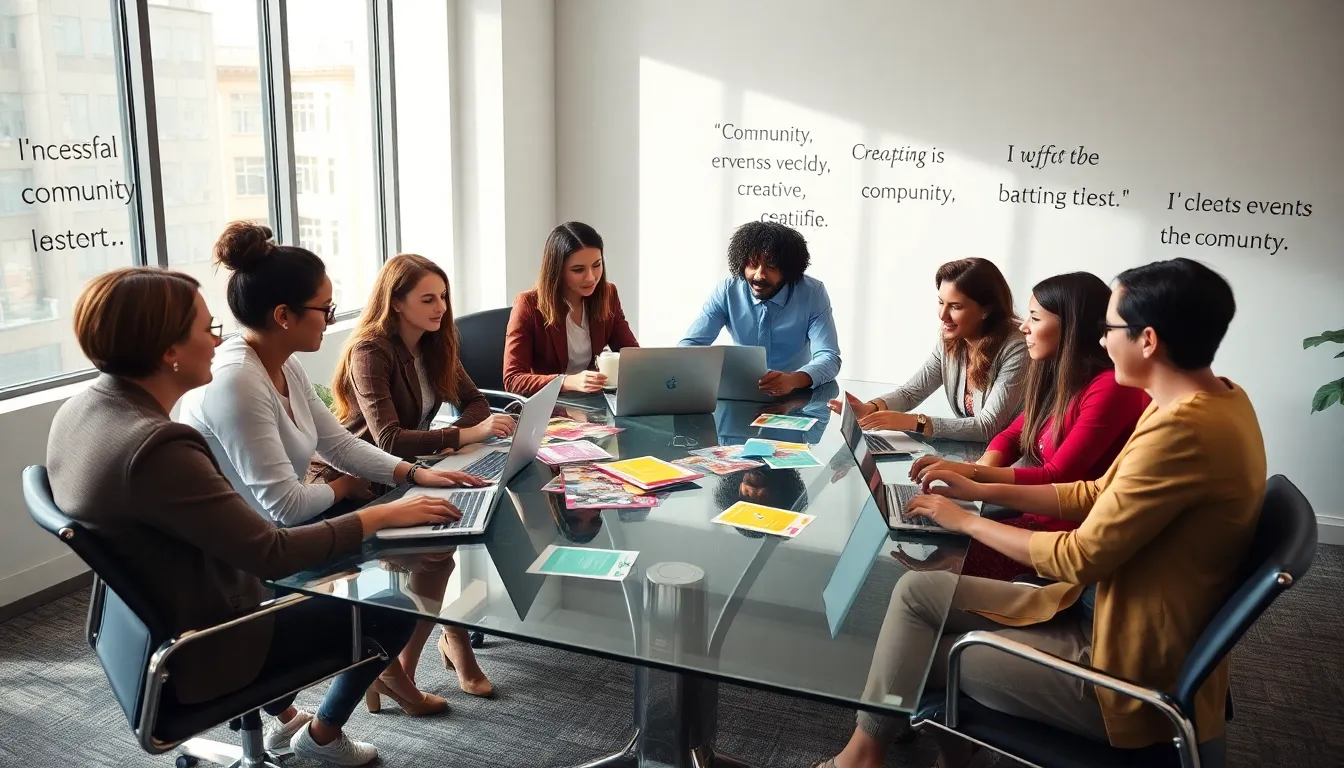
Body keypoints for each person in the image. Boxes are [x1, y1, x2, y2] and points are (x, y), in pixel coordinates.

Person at [817, 258, 1261, 768]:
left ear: (1149, 340)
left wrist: (966, 520)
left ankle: (863, 759)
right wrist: (975, 482)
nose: (1099, 340)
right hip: (1102, 609)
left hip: (1118, 666)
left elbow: (1078, 556)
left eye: (1110, 328)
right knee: (918, 594)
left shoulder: (1182, 432)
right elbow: (1091, 493)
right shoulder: (1205, 402)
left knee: (914, 658)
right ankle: (895, 756)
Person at [47, 267, 465, 766]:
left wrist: (407, 478)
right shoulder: (158, 446)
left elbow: (329, 451)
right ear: (168, 352)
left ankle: (288, 718)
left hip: (142, 631)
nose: (216, 343)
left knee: (382, 553)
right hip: (209, 645)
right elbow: (271, 552)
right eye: (206, 330)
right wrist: (379, 517)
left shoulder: (82, 410)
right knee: (390, 605)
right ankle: (322, 739)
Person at [179, 222, 487, 715]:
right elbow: (283, 505)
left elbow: (337, 441)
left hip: (290, 521)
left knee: (435, 544)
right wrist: (359, 496)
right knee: (422, 564)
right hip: (256, 551)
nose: (332, 317)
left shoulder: (281, 361)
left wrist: (413, 475)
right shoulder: (237, 382)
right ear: (284, 315)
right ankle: (359, 695)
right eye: (324, 308)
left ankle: (370, 689)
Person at [323, 253, 512, 699]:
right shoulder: (370, 351)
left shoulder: (433, 342)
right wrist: (462, 435)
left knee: (458, 532)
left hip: (407, 474)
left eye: (443, 297)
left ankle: (403, 670)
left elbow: (477, 401)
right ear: (397, 302)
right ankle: (432, 653)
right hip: (353, 482)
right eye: (428, 299)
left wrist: (462, 435)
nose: (441, 308)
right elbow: (386, 439)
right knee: (437, 555)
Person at [897, 272, 1150, 580]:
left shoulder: (1109, 388)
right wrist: (976, 469)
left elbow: (1057, 477)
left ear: (1071, 327)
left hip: (1061, 536)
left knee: (925, 565)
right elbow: (1011, 434)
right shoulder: (1057, 375)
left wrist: (973, 476)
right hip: (1037, 518)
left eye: (1034, 318)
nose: (1024, 326)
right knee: (922, 534)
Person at [829, 258, 1026, 442]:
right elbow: (911, 393)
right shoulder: (952, 338)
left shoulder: (1017, 347)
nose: (942, 315)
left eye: (955, 307)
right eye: (941, 302)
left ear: (987, 309)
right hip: (976, 455)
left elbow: (988, 427)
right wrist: (870, 408)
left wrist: (913, 422)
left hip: (1015, 459)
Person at [680, 220, 841, 396]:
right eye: (752, 264)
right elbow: (692, 344)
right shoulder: (728, 290)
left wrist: (793, 379)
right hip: (738, 395)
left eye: (771, 266)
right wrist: (657, 364)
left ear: (788, 269)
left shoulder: (812, 293)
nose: (759, 275)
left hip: (796, 396)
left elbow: (829, 357)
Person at [503, 221, 639, 395]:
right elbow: (513, 380)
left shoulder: (608, 294)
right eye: (578, 270)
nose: (591, 278)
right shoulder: (527, 305)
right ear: (557, 270)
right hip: (550, 405)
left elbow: (631, 354)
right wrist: (566, 381)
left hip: (592, 402)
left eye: (597, 265)